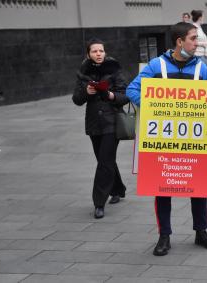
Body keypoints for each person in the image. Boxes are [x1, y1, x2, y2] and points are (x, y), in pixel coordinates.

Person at [126, 22, 207, 256]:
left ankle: (201, 232)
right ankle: (164, 236)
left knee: (198, 187)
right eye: (193, 39)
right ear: (179, 42)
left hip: (193, 140)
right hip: (163, 140)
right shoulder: (155, 65)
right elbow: (132, 90)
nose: (197, 43)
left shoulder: (202, 70)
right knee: (162, 187)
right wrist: (156, 107)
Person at [72, 38, 128, 219]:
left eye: (101, 51)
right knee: (105, 159)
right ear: (88, 54)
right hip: (94, 123)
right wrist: (86, 93)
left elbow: (125, 95)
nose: (98, 54)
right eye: (95, 51)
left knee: (104, 161)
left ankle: (99, 203)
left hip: (112, 122)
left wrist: (110, 95)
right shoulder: (83, 72)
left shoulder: (114, 69)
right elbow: (76, 100)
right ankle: (118, 189)